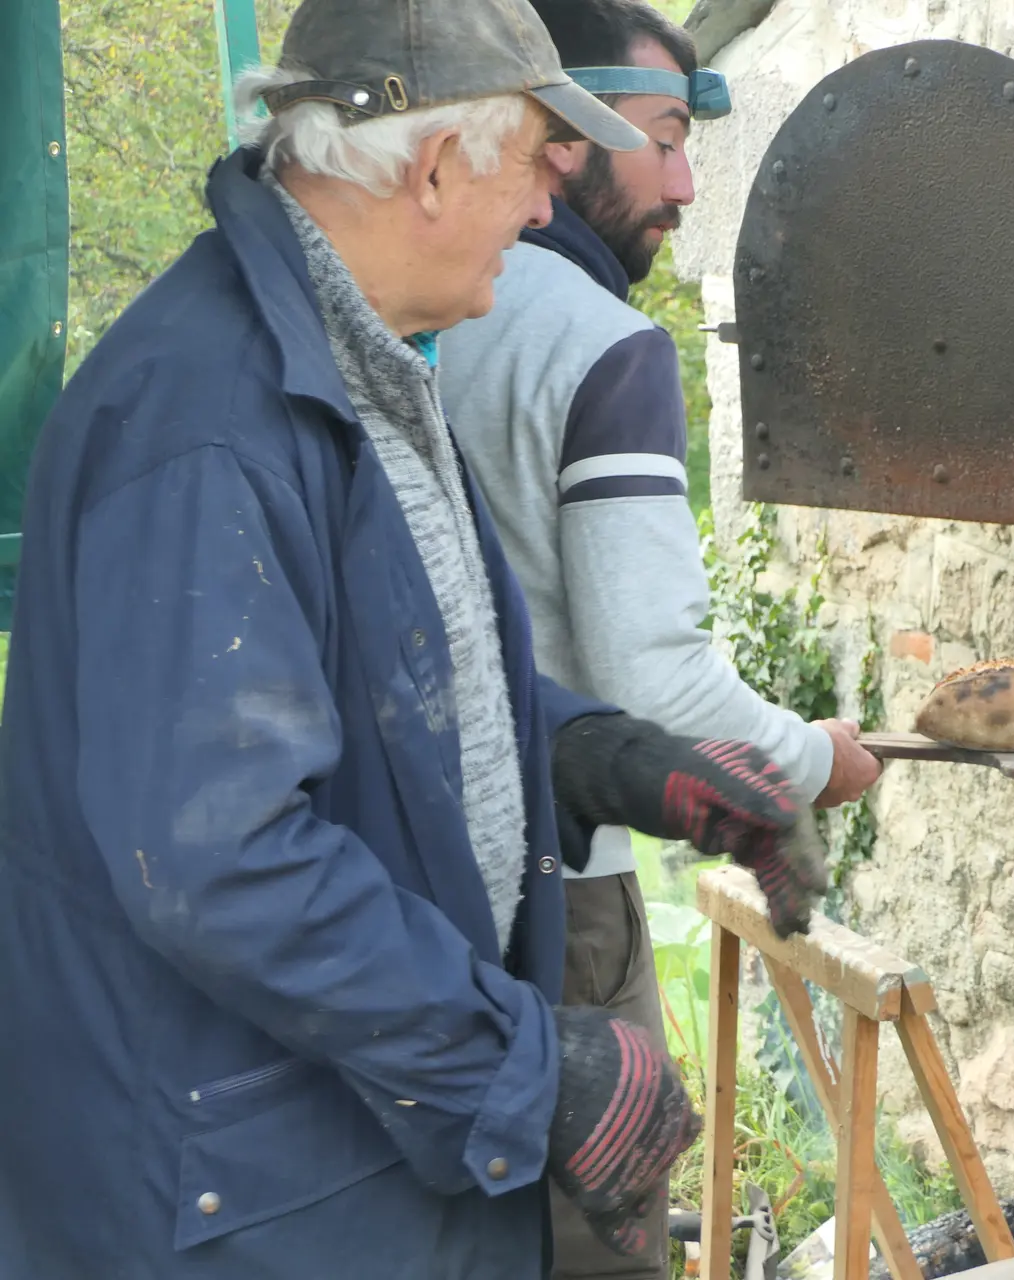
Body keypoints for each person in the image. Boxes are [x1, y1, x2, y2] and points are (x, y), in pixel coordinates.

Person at [0, 0, 829, 1276]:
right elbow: (221, 859)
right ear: (435, 166)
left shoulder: (365, 356)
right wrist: (528, 1064)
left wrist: (609, 758)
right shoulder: (206, 425)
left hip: (327, 1165)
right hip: (235, 1199)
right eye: (536, 164)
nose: (544, 209)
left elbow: (405, 677)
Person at [438, 3, 881, 1275]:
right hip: (558, 893)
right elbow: (656, 682)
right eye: (666, 138)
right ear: (565, 134)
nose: (686, 185)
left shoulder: (407, 313)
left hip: (424, 880)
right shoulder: (604, 346)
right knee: (598, 1249)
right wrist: (816, 757)